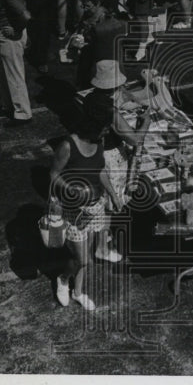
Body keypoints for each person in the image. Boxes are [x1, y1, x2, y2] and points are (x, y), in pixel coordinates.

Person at [49, 100, 125, 311]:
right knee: (82, 259)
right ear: (92, 125)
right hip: (74, 210)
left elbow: (100, 170)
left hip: (95, 206)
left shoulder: (99, 141)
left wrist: (113, 195)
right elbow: (53, 174)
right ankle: (63, 278)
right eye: (105, 127)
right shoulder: (68, 146)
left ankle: (78, 292)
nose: (108, 130)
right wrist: (70, 189)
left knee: (86, 256)